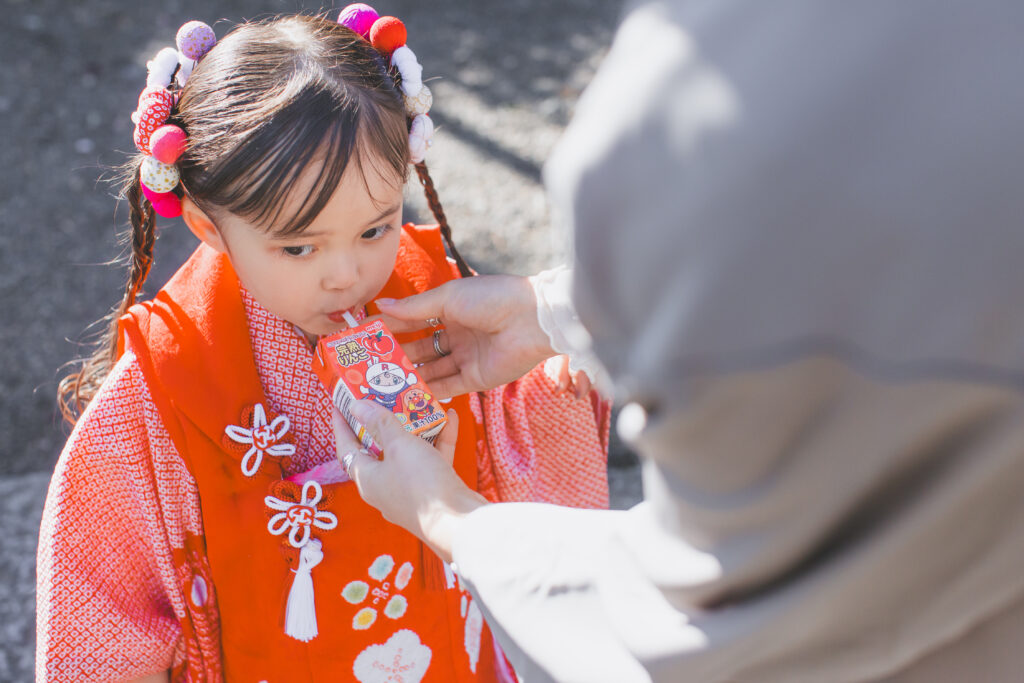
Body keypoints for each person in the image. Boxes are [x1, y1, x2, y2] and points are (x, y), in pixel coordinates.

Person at [335, 0, 1024, 681]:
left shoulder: (669, 132)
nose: (339, 273)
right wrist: (553, 312)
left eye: (373, 228)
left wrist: (449, 516)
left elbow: (702, 629)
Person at [37, 10, 611, 682]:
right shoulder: (170, 383)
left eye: (376, 227)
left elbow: (539, 449)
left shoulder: (446, 315)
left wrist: (562, 349)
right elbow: (102, 626)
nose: (345, 273)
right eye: (299, 245)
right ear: (208, 224)